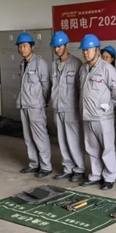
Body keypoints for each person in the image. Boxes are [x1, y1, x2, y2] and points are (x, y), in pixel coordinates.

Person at [79, 35, 116, 190]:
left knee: (107, 147)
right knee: (92, 148)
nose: (85, 53)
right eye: (84, 50)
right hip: (87, 115)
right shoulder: (83, 69)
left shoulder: (107, 68)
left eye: (88, 50)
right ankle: (96, 175)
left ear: (97, 50)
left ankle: (109, 177)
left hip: (103, 116)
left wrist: (110, 105)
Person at [49, 31, 85, 182]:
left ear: (67, 46)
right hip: (57, 108)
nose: (57, 49)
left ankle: (79, 169)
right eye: (55, 47)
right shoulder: (54, 65)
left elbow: (81, 88)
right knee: (62, 140)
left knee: (73, 140)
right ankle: (67, 168)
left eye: (59, 46)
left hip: (71, 109)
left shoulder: (76, 64)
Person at [15, 32, 52, 178]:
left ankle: (46, 166)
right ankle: (34, 164)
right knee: (28, 137)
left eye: (24, 46)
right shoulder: (22, 63)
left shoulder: (40, 63)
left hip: (36, 106)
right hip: (24, 104)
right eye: (20, 46)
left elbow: (46, 85)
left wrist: (43, 101)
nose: (22, 49)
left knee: (40, 136)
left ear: (32, 47)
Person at [101, 46, 116, 160]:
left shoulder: (115, 72)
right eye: (103, 57)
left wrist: (112, 104)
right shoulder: (99, 70)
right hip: (101, 107)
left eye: (107, 57)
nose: (104, 59)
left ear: (112, 59)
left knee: (114, 129)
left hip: (112, 105)